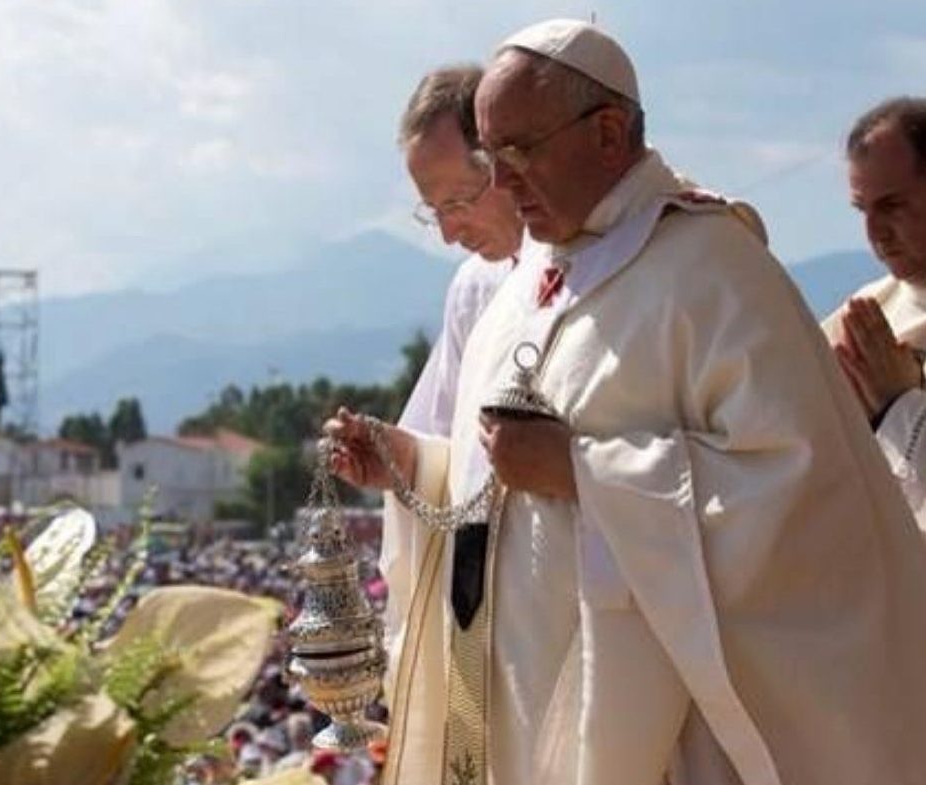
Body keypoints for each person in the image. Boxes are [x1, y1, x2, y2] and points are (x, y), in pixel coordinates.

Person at [328, 19, 926, 785]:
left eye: (519, 151)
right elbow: (503, 489)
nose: (503, 183)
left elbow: (805, 510)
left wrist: (584, 470)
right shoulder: (520, 290)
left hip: (658, 741)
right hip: (518, 714)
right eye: (491, 155)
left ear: (609, 131)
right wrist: (414, 464)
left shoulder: (714, 272)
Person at [379, 65, 524, 694]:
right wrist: (394, 458)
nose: (447, 232)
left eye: (458, 202)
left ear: (509, 165)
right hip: (491, 609)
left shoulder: (610, 268)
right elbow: (444, 452)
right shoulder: (475, 288)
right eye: (431, 210)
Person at [822, 97, 926, 525]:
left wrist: (900, 405)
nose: (875, 234)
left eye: (892, 206)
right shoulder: (865, 317)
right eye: (863, 211)